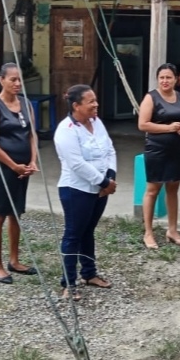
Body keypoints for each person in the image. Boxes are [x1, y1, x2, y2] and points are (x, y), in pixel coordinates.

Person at [54, 84, 117, 300]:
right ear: (76, 106)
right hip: (76, 189)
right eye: (91, 102)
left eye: (95, 100)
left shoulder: (96, 122)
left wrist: (110, 176)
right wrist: (104, 182)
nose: (96, 105)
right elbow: (76, 164)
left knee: (88, 230)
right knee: (73, 234)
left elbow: (109, 149)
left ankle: (89, 273)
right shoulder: (66, 130)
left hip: (100, 189)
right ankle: (68, 282)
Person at [0, 62, 39, 285]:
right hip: (3, 168)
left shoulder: (25, 103)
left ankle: (14, 260)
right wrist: (13, 165)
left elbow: (32, 134)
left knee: (16, 213)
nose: (17, 84)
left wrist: (32, 160)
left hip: (23, 168)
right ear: (2, 80)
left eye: (19, 80)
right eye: (12, 79)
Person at [138, 63, 180, 250]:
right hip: (156, 149)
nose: (165, 81)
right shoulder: (151, 98)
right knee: (152, 190)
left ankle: (172, 230)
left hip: (176, 148)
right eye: (161, 77)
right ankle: (148, 232)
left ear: (175, 79)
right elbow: (143, 124)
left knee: (173, 189)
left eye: (169, 77)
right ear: (157, 79)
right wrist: (168, 128)